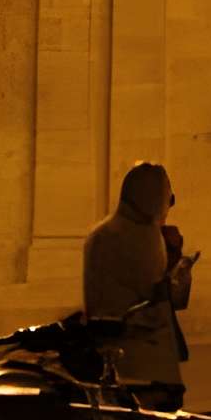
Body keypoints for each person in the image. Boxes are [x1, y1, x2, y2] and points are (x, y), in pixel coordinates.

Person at [82, 161, 194, 404]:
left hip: (107, 348)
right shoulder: (142, 236)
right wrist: (180, 268)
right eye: (168, 198)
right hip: (144, 357)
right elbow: (160, 297)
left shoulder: (102, 231)